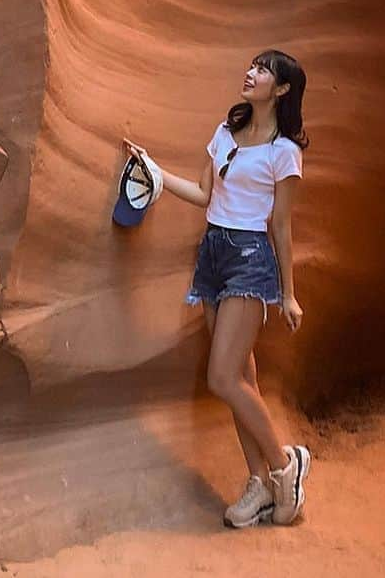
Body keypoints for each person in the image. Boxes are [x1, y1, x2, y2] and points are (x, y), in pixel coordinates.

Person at [123, 48, 311, 528]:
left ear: (283, 89)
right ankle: (259, 484)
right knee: (240, 381)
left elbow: (282, 227)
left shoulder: (283, 152)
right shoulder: (226, 131)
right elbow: (206, 195)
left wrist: (287, 293)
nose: (251, 73)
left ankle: (286, 467)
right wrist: (158, 174)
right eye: (252, 65)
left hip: (250, 258)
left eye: (263, 70)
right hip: (213, 254)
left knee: (222, 377)